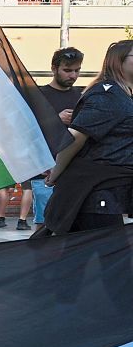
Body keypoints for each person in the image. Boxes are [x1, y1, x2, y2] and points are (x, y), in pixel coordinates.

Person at [44, 39, 133, 233]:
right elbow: (75, 137)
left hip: (107, 193)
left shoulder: (123, 95)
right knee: (112, 257)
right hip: (95, 193)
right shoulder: (108, 95)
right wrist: (55, 172)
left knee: (81, 258)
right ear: (119, 61)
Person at [20, 47, 85, 229]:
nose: (73, 75)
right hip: (44, 171)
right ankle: (44, 257)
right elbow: (25, 129)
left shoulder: (82, 97)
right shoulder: (38, 96)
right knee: (45, 225)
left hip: (74, 171)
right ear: (54, 68)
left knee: (71, 227)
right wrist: (55, 118)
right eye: (67, 70)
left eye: (77, 70)